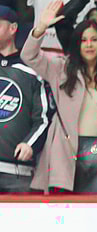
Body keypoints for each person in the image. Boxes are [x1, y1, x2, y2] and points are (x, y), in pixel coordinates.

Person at [23, 0, 97, 193]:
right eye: (84, 40)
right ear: (77, 44)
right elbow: (29, 56)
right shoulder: (61, 69)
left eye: (94, 40)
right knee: (64, 217)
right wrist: (41, 27)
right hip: (66, 153)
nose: (89, 45)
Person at [0, 5, 50, 193]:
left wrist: (30, 144)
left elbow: (44, 119)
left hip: (17, 172)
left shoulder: (32, 71)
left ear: (13, 29)